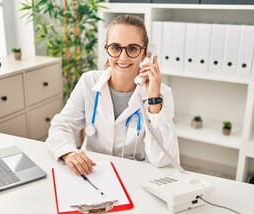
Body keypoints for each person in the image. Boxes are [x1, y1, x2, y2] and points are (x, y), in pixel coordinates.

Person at [46, 14, 179, 176]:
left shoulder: (161, 93)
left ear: (146, 53)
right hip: (92, 172)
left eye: (132, 48)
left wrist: (154, 101)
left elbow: (161, 159)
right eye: (115, 47)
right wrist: (68, 152)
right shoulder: (89, 81)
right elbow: (61, 126)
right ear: (106, 49)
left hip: (134, 176)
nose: (123, 57)